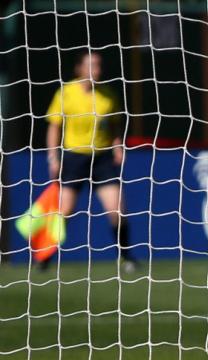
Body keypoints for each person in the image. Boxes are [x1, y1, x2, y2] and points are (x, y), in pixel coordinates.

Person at [44, 50, 138, 272]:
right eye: (91, 65)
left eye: (98, 65)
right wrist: (53, 157)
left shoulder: (108, 94)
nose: (96, 69)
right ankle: (45, 256)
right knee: (64, 211)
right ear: (79, 68)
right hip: (75, 157)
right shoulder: (65, 93)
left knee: (117, 210)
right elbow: (54, 127)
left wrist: (117, 145)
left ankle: (126, 257)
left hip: (103, 157)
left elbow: (114, 124)